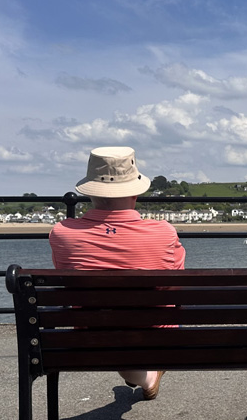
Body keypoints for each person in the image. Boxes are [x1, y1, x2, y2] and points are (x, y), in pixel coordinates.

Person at [49, 146, 185, 400]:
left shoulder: (62, 233)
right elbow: (176, 283)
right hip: (155, 332)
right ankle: (145, 375)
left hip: (92, 335)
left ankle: (144, 376)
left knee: (110, 326)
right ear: (135, 193)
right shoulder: (164, 232)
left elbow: (65, 279)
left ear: (90, 192)